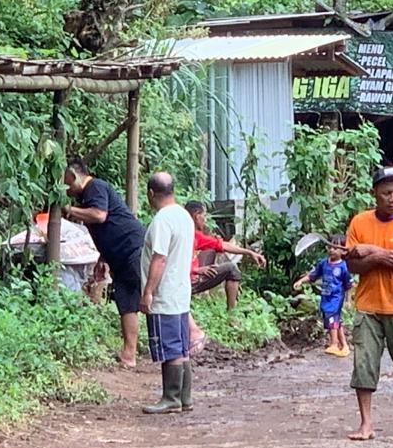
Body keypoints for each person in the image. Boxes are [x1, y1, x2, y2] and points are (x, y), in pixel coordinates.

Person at [343, 165, 393, 441]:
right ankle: (366, 424)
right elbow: (353, 265)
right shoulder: (359, 222)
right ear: (374, 194)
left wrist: (373, 252)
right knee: (363, 366)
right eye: (387, 193)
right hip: (367, 305)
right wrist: (380, 257)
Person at [62, 157, 146, 367]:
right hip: (120, 254)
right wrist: (103, 257)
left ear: (75, 175)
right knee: (127, 301)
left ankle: (191, 333)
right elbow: (104, 227)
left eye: (67, 182)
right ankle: (129, 355)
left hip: (132, 248)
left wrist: (69, 210)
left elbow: (100, 216)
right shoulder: (86, 197)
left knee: (151, 294)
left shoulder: (95, 186)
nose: (66, 188)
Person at [139, 172, 196, 415]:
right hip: (180, 292)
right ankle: (184, 397)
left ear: (151, 193)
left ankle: (171, 397)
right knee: (180, 348)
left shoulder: (163, 219)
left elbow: (159, 258)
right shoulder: (184, 215)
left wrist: (148, 291)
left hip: (165, 293)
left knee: (170, 348)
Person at [185, 200, 266, 353]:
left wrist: (250, 253)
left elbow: (222, 245)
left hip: (194, 277)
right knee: (230, 268)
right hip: (184, 281)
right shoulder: (184, 235)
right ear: (196, 216)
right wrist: (196, 270)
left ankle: (231, 316)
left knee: (226, 265)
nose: (205, 219)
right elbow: (171, 262)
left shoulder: (196, 235)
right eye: (204, 216)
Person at [293, 239, 353, 357]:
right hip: (326, 297)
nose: (332, 250)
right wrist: (301, 281)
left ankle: (334, 344)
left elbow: (348, 285)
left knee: (332, 320)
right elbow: (312, 275)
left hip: (336, 298)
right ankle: (344, 345)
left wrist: (348, 300)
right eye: (329, 247)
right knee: (336, 322)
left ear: (343, 251)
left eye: (335, 248)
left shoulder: (343, 267)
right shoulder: (323, 263)